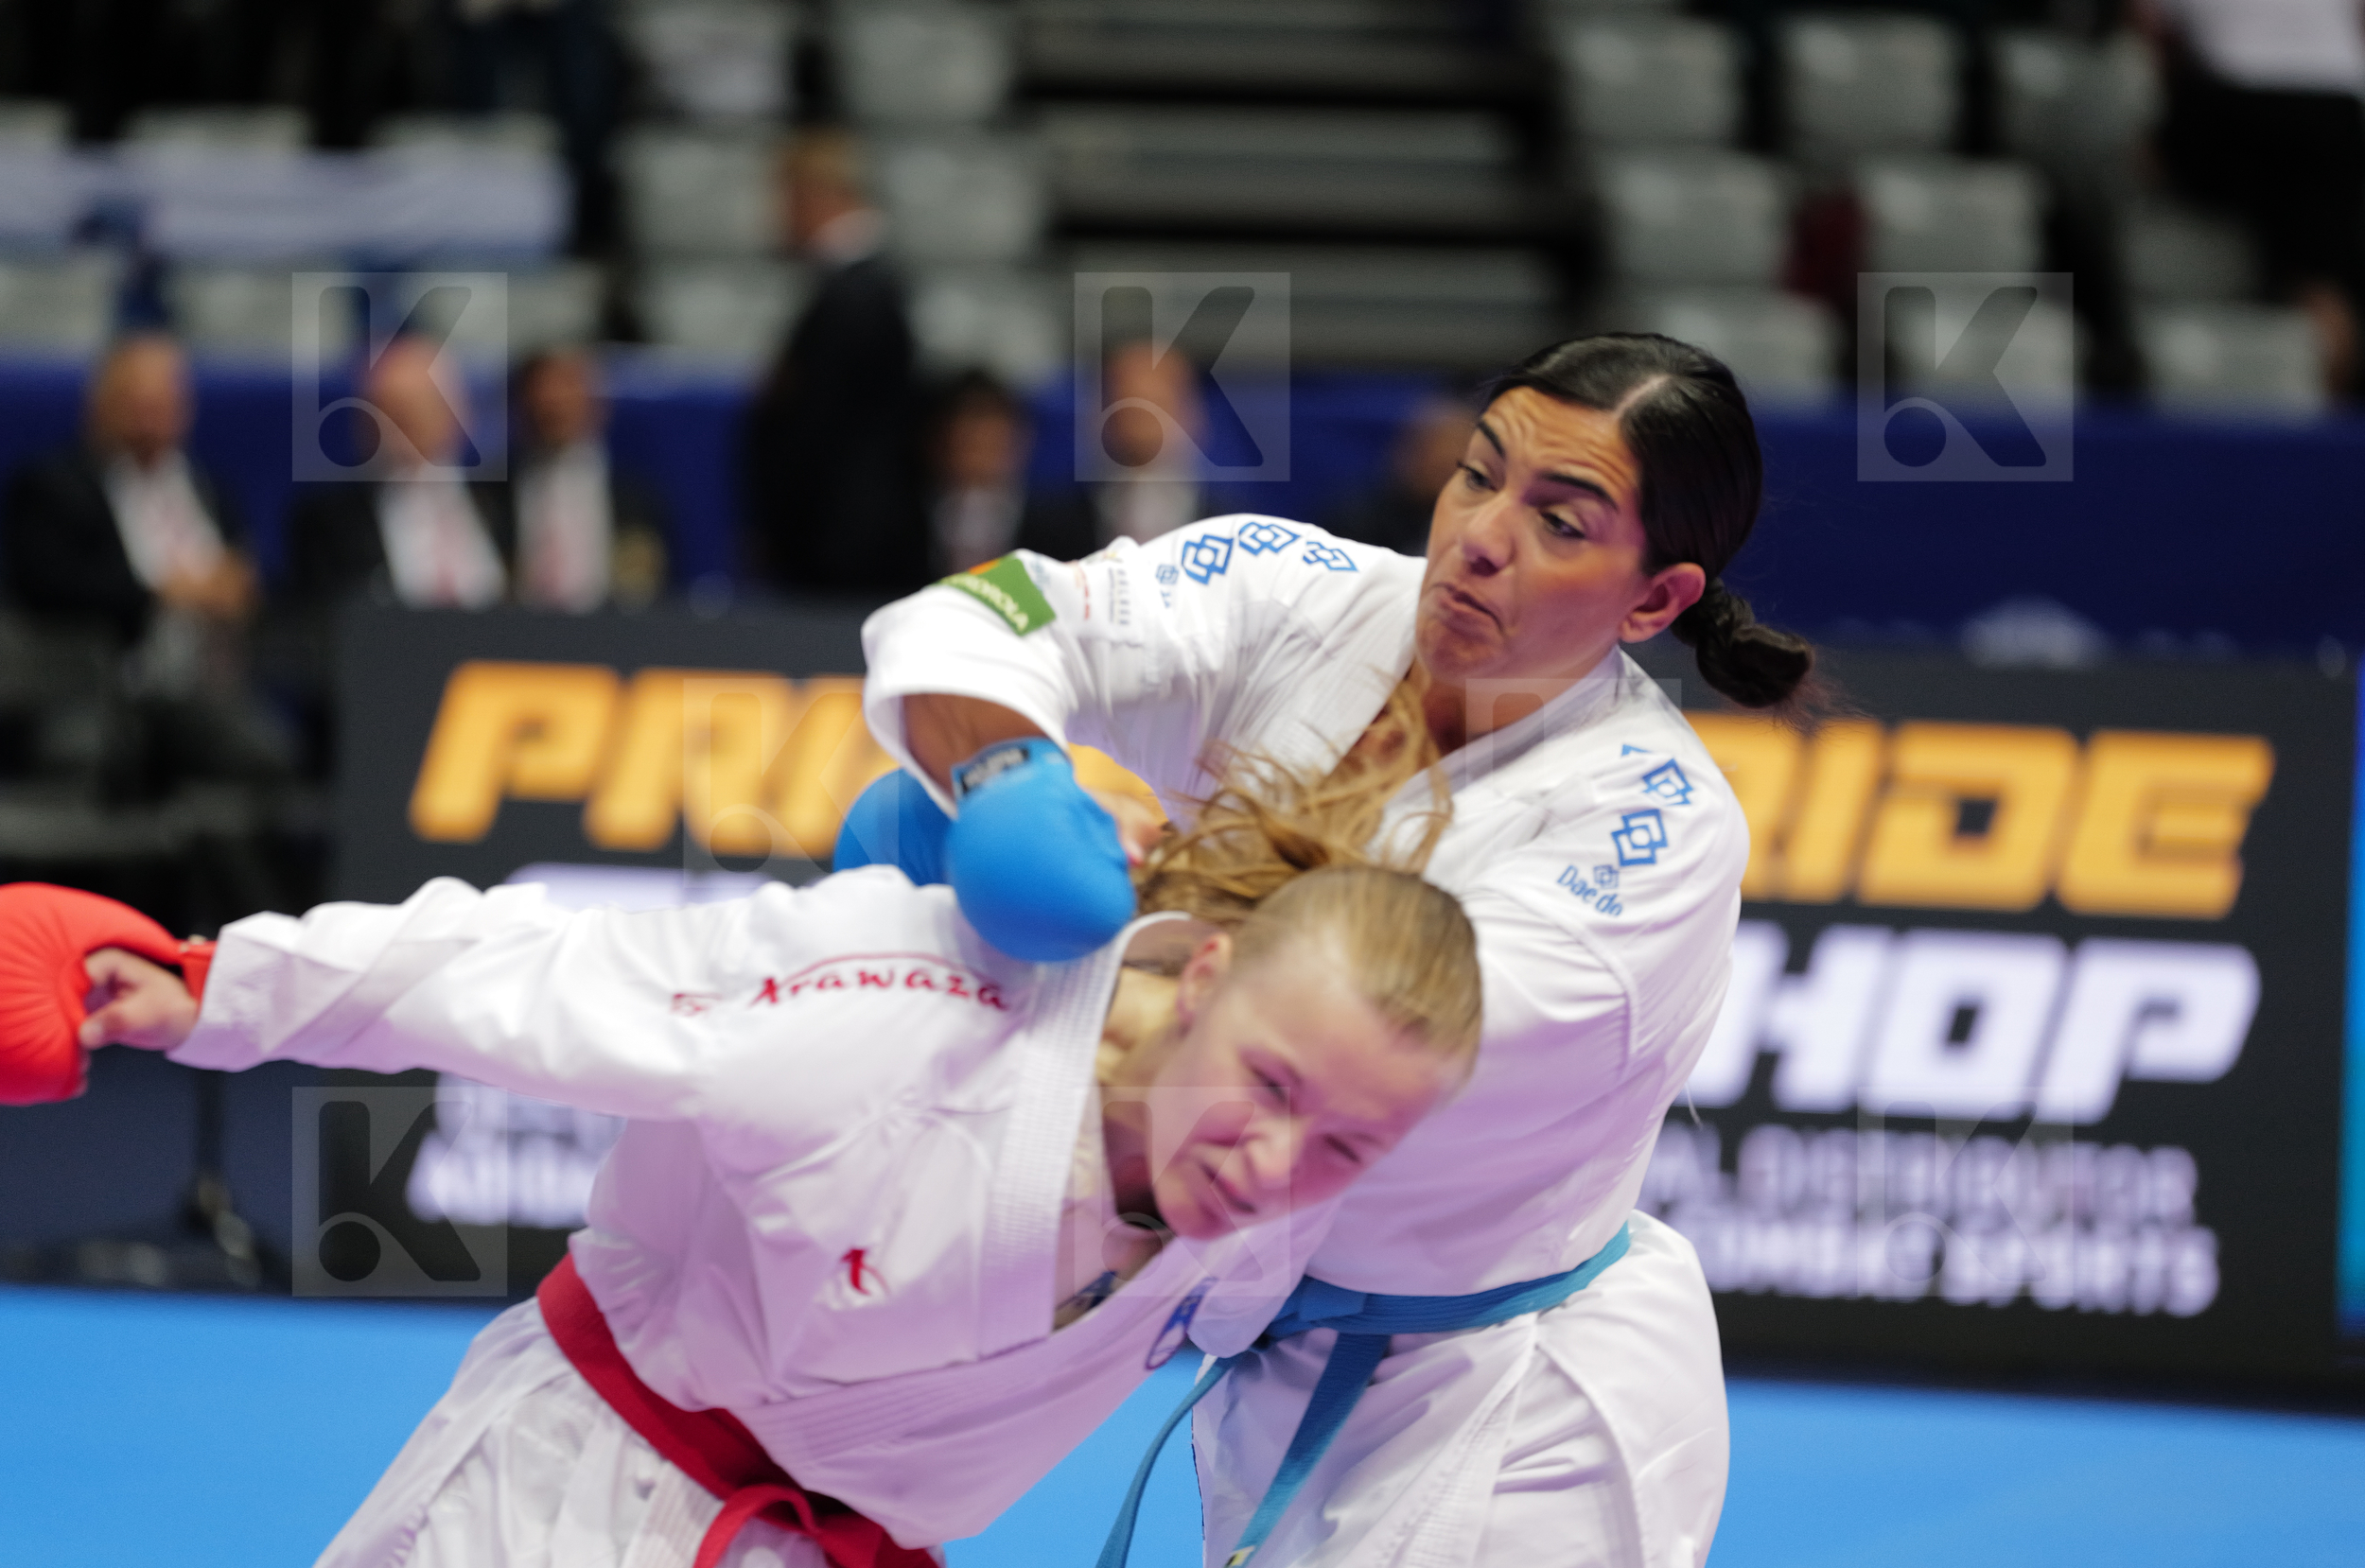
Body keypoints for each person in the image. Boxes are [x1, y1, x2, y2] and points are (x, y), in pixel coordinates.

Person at [56, 729, 1483, 1568]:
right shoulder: (909, 1006)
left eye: (1347, 1142)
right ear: (1213, 976)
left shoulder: (1281, 1221)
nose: (1274, 1159)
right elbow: (537, 974)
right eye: (1270, 1082)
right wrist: (205, 984)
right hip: (561, 1504)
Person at [855, 334, 1814, 1567]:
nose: (1480, 535)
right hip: (1278, 1360)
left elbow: (1335, 1046)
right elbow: (984, 619)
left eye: (1561, 522)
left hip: (1510, 1410)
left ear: (1654, 599)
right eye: (1479, 474)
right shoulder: (1298, 587)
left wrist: (1100, 902)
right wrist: (1006, 782)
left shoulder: (1651, 841)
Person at [741, 129, 932, 595]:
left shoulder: (855, 298)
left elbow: (816, 430)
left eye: (784, 198)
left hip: (841, 552)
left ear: (815, 196)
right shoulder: (863, 291)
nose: (776, 216)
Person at [2142, 0, 2365, 397]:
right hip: (2332, 101)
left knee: (2141, 155)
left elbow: (2151, 28)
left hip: (2242, 100)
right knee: (2319, 279)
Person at [3, 333, 257, 662]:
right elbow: (47, 586)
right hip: (99, 675)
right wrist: (160, 592)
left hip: (214, 676)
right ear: (98, 405)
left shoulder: (209, 486)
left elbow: (240, 568)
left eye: (161, 406)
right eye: (135, 405)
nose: (148, 423)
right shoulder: (50, 487)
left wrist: (237, 586)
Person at [285, 335, 513, 613]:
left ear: (459, 412)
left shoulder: (505, 499)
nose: (406, 422)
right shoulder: (328, 521)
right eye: (391, 408)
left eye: (422, 404)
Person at [494, 346, 669, 612]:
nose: (554, 401)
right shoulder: (491, 495)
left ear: (596, 402)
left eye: (567, 387)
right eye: (542, 389)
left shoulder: (636, 498)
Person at [926, 370, 1097, 572]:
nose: (980, 439)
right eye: (969, 438)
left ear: (1023, 437)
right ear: (937, 440)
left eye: (992, 437)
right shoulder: (902, 523)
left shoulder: (1066, 526)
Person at [1319, 392, 1475, 557]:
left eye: (1458, 451)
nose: (1446, 459)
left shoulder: (1478, 523)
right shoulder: (1356, 520)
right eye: (1434, 451)